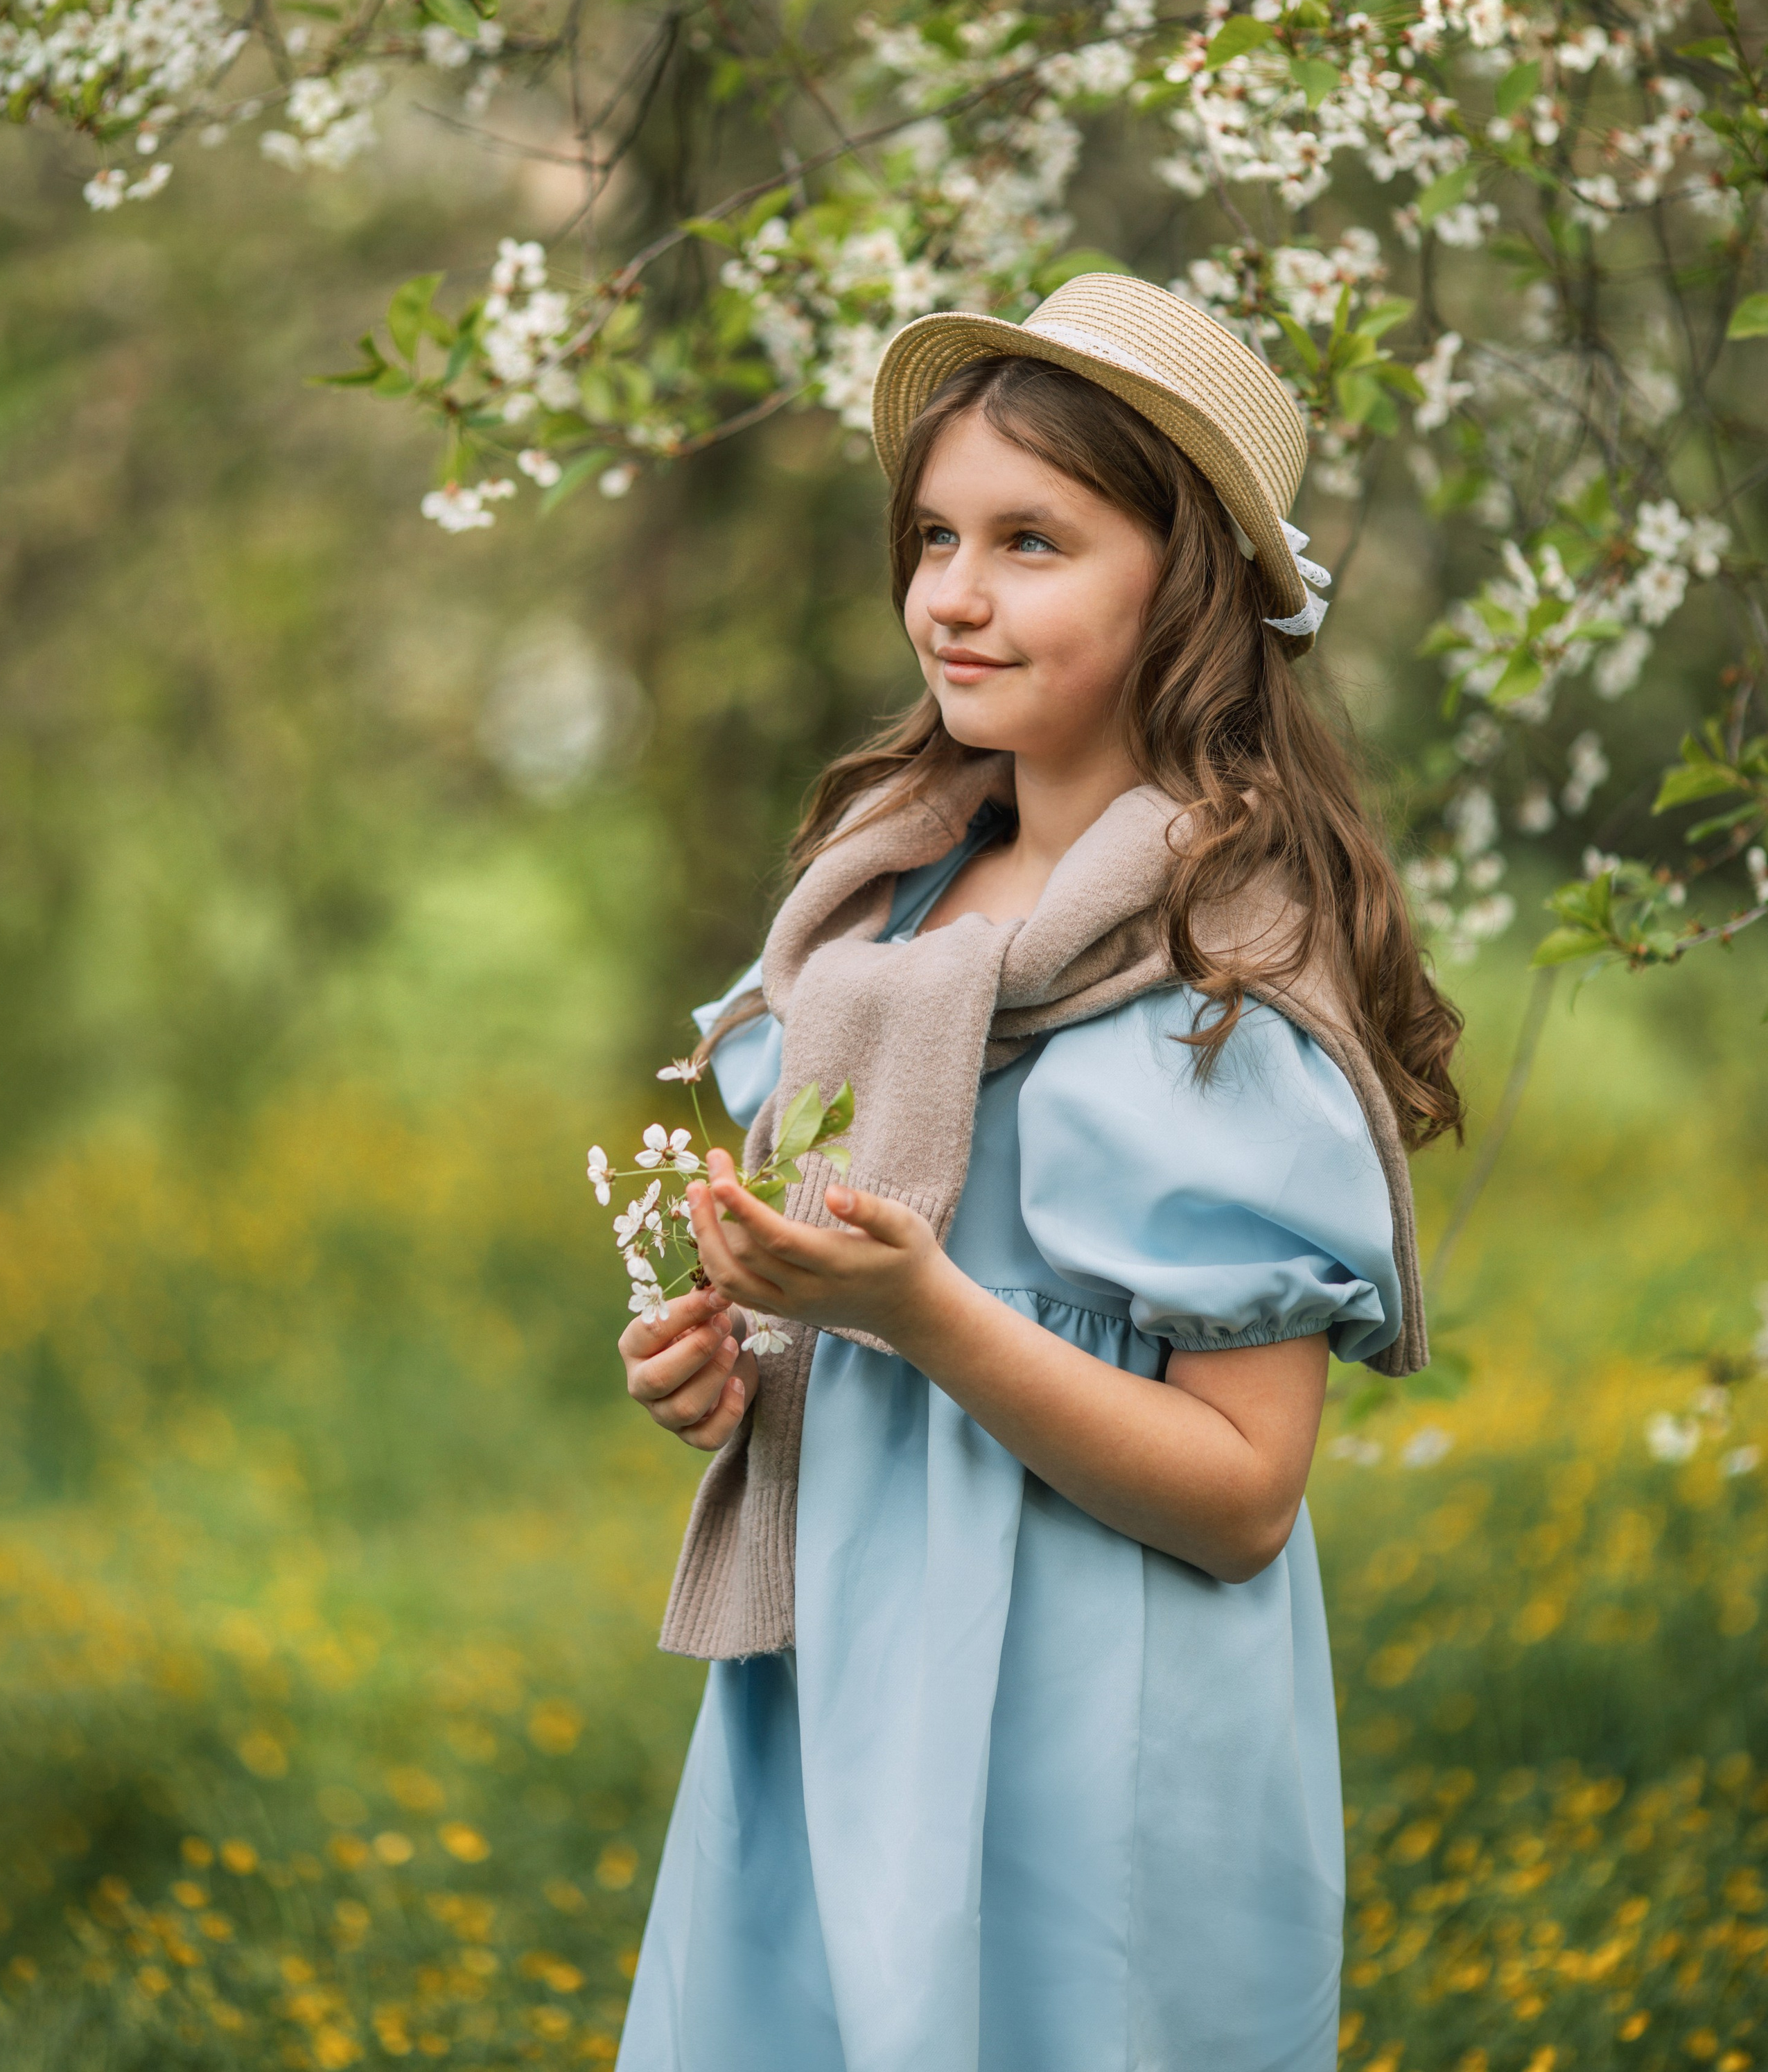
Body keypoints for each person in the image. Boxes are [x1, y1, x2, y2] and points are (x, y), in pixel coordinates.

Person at [614, 272, 1462, 2072]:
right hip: (838, 1674)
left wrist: (920, 1311)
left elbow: (1242, 1496)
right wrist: (742, 1364)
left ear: (1189, 586)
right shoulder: (880, 913)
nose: (955, 594)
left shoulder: (1222, 974)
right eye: (932, 534)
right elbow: (846, 1335)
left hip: (1094, 1721)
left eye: (1032, 539)